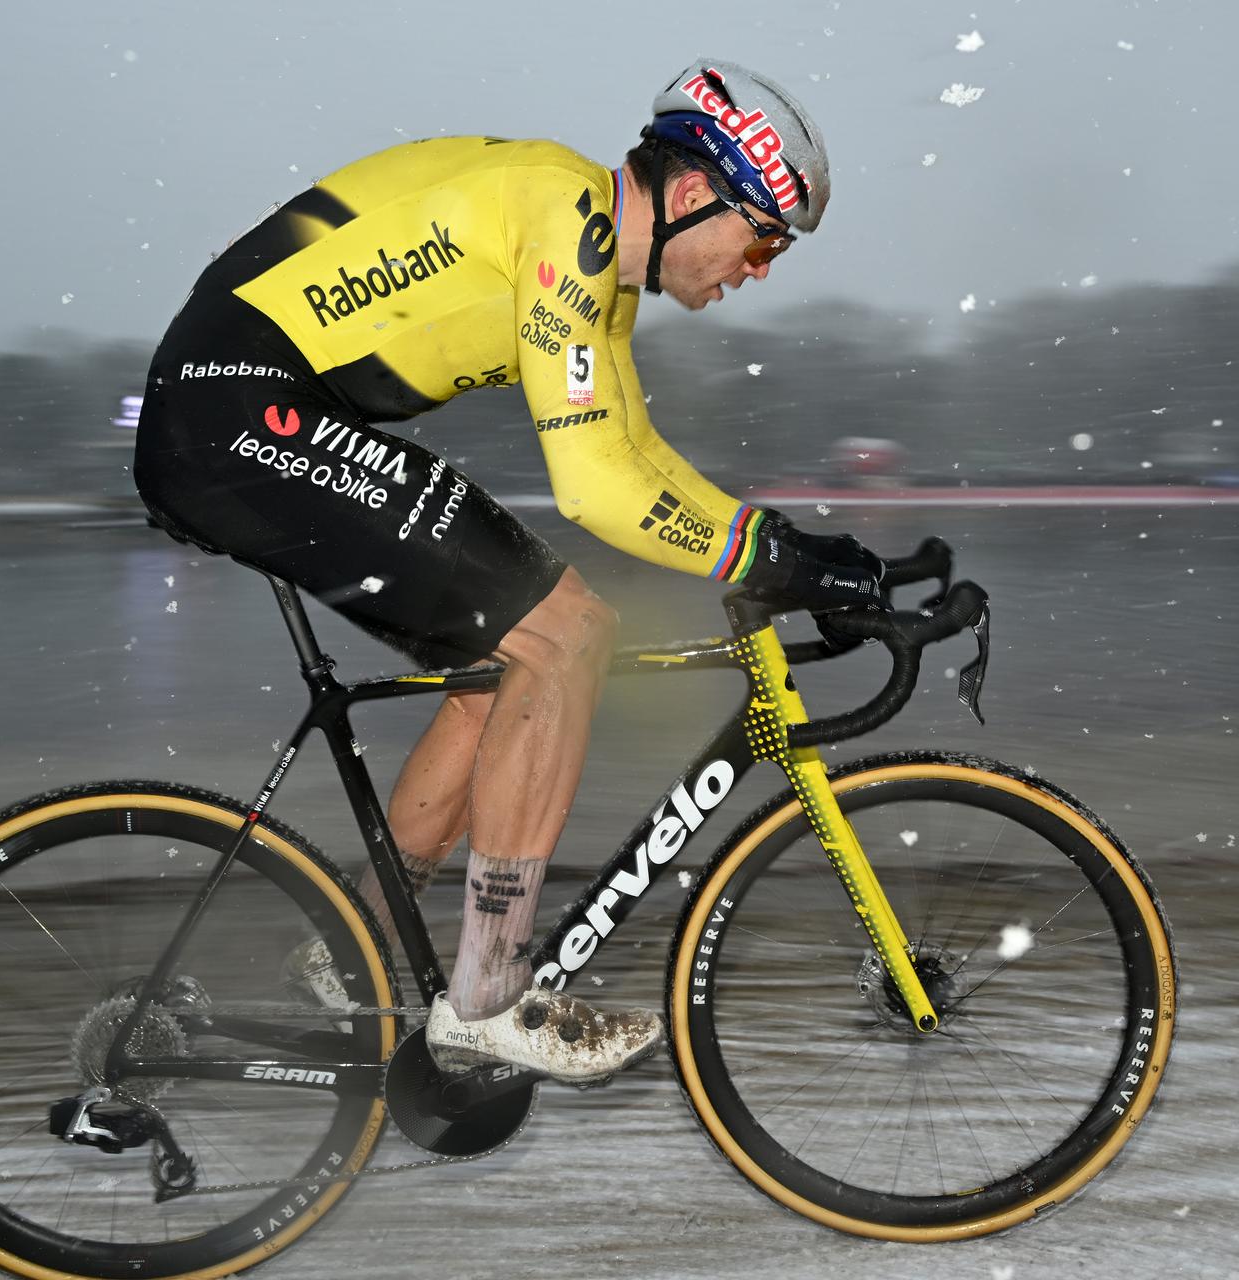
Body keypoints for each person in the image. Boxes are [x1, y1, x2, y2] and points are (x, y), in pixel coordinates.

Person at [132, 59, 886, 1086]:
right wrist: (773, 556)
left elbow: (636, 459)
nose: (760, 268)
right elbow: (591, 489)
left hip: (258, 409)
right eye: (763, 236)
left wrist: (788, 543)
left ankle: (346, 946)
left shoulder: (593, 268)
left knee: (512, 662)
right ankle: (487, 999)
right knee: (564, 636)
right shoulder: (566, 219)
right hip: (236, 410)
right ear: (698, 192)